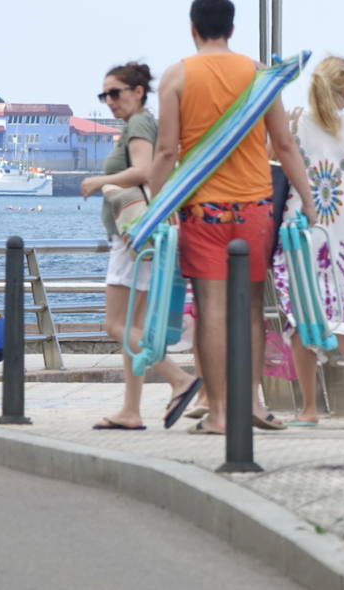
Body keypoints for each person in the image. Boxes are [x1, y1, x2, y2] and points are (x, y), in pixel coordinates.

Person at [148, 0, 317, 435]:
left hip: (203, 211)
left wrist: (155, 209)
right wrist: (310, 200)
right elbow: (284, 144)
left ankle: (220, 414)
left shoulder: (177, 77)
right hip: (257, 208)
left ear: (192, 28)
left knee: (211, 311)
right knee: (251, 310)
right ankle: (252, 405)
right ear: (232, 29)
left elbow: (166, 151)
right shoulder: (260, 75)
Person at [79, 62, 201, 430]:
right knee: (132, 323)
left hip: (132, 234)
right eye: (104, 95)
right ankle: (131, 410)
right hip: (143, 234)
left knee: (115, 324)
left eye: (115, 93)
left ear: (137, 92)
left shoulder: (139, 124)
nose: (109, 101)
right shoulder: (142, 123)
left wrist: (98, 181)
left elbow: (145, 171)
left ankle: (178, 378)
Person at [269, 56, 344, 424]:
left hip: (302, 235)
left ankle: (307, 409)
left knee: (300, 319)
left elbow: (269, 169)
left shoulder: (292, 130)